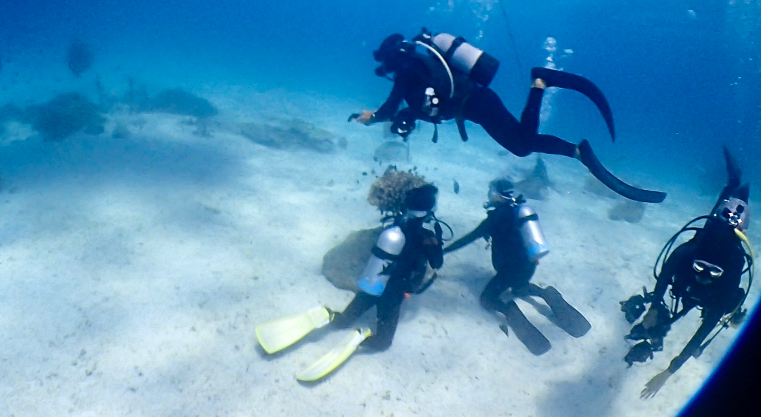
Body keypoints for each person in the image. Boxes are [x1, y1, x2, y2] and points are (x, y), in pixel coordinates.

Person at [350, 29, 665, 203]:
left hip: (478, 104)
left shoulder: (407, 72)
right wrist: (407, 117)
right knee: (521, 143)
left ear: (393, 60)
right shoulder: (418, 65)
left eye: (387, 65)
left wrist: (372, 117)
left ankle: (540, 83)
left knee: (521, 145)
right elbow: (425, 105)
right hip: (475, 104)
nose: (388, 71)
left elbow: (392, 107)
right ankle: (577, 151)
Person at [253, 183, 446, 381]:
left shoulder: (393, 226)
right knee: (383, 343)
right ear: (429, 210)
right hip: (393, 293)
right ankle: (361, 335)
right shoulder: (426, 237)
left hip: (372, 284)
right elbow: (437, 263)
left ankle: (330, 316)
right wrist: (437, 240)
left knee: (344, 319)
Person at [620, 147, 754, 398]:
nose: (703, 274)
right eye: (700, 267)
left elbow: (700, 335)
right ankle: (734, 184)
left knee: (729, 217)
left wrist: (669, 372)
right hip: (703, 245)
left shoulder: (728, 279)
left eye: (713, 271)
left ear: (723, 273)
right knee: (715, 221)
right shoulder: (687, 254)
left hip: (719, 287)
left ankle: (739, 189)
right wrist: (655, 305)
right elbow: (663, 279)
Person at [444, 178, 591, 355]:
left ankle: (510, 310)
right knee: (519, 288)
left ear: (497, 195)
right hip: (529, 267)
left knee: (487, 299)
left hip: (509, 271)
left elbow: (469, 238)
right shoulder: (520, 210)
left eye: (491, 192)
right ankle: (545, 293)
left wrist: (443, 251)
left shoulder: (496, 218)